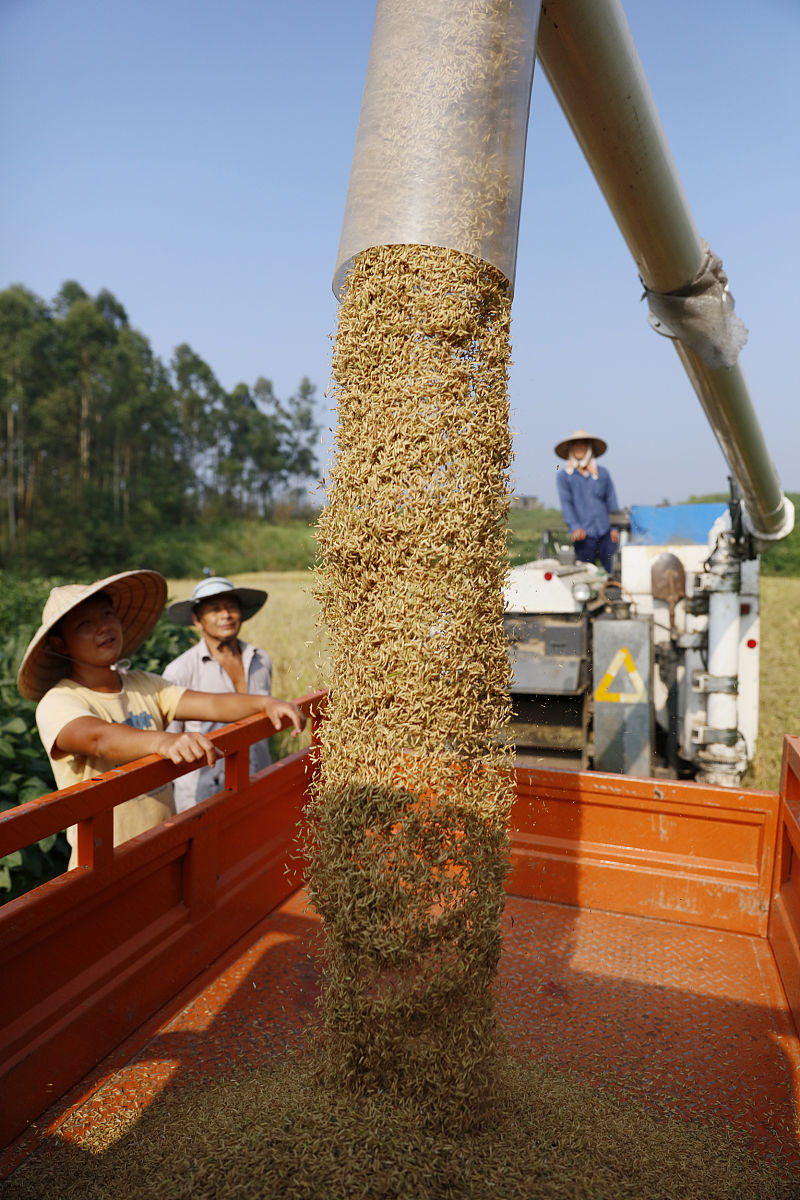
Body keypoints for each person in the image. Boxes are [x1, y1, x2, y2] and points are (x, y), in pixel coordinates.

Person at [17, 570, 305, 868]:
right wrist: (164, 741)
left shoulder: (145, 684)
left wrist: (266, 702)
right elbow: (96, 738)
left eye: (107, 615)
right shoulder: (60, 701)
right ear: (61, 645)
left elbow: (212, 704)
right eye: (85, 624)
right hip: (104, 865)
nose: (103, 627)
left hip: (165, 849)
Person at [162, 576, 276, 812]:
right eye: (214, 610)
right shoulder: (180, 671)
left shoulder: (260, 660)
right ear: (197, 619)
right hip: (203, 797)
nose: (226, 615)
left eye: (231, 607)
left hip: (259, 781)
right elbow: (170, 741)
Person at [555, 428, 620, 574]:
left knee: (613, 572)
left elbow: (611, 499)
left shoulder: (602, 473)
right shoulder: (565, 476)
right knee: (584, 574)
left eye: (583, 444)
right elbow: (567, 504)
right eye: (575, 444)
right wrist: (575, 526)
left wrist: (615, 527)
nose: (579, 448)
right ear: (570, 449)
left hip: (605, 531)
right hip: (583, 534)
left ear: (589, 448)